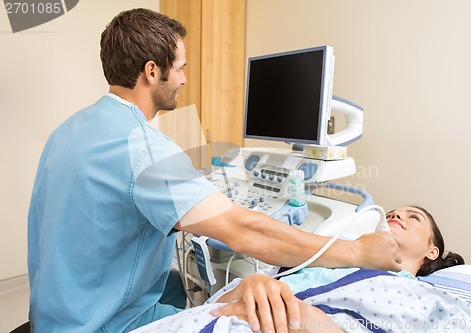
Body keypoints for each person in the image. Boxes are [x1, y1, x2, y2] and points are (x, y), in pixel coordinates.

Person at [27, 8, 402, 333]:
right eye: (180, 68)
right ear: (152, 71)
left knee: (180, 284)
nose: (184, 79)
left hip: (54, 314)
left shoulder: (68, 130)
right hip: (104, 324)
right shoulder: (145, 148)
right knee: (246, 307)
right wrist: (357, 252)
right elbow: (242, 230)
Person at [142, 205, 465, 333]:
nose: (397, 217)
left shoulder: (422, 295)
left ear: (431, 251)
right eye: (393, 212)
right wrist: (252, 283)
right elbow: (217, 305)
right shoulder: (329, 262)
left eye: (413, 218)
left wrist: (314, 323)